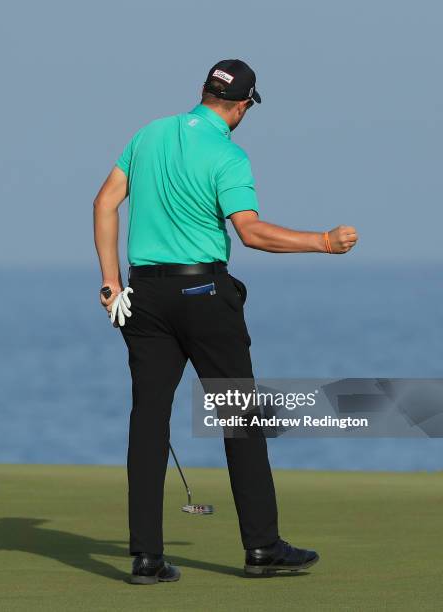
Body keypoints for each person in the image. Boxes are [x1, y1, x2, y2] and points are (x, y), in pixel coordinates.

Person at [93, 59, 358, 584]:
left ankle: (146, 559)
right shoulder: (228, 155)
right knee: (241, 418)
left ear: (203, 92)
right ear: (241, 107)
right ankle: (262, 548)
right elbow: (252, 234)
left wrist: (111, 285)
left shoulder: (149, 133)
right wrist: (323, 242)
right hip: (203, 294)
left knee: (148, 422)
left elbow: (105, 202)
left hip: (143, 296)